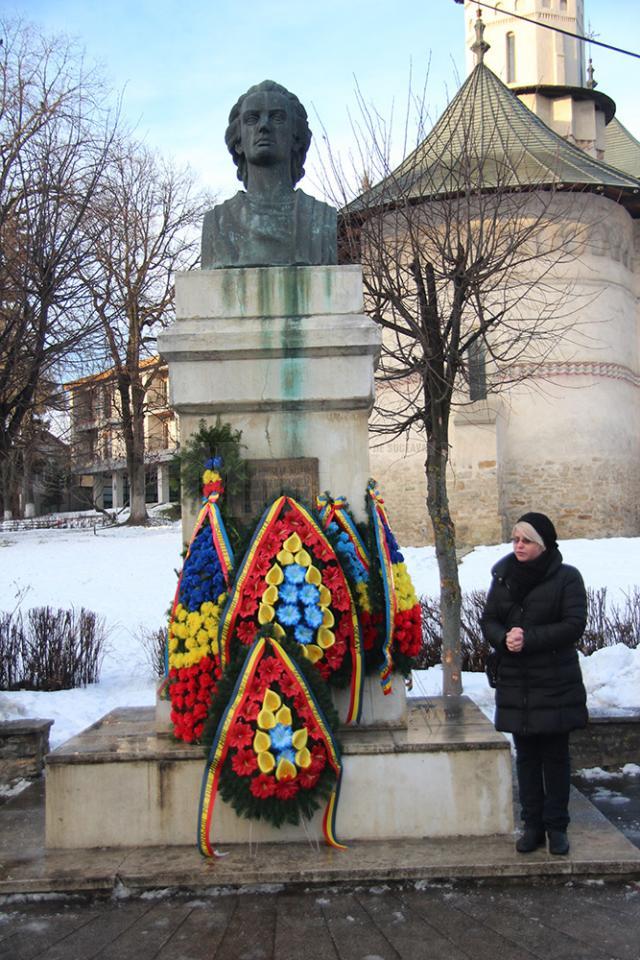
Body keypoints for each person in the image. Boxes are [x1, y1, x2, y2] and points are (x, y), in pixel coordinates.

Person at [481, 512, 588, 856]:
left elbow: (573, 625)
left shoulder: (567, 578)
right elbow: (489, 619)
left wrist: (530, 638)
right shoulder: (503, 576)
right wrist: (503, 638)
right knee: (525, 757)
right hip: (517, 682)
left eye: (525, 540)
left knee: (555, 756)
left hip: (555, 679)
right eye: (515, 540)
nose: (518, 546)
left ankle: (557, 827)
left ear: (542, 544)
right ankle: (533, 826)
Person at [201, 80, 337, 268]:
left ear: (296, 137)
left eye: (277, 117)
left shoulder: (321, 219)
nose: (264, 126)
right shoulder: (217, 223)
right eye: (252, 119)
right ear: (238, 141)